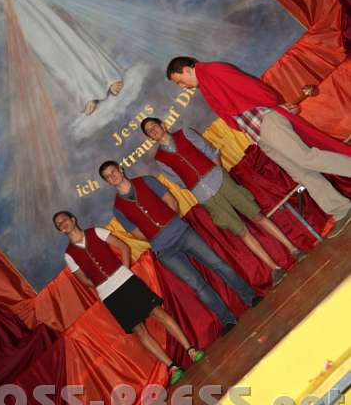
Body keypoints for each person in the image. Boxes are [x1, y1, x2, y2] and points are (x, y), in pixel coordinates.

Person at [166, 57, 351, 239]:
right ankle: (340, 208)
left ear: (187, 70)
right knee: (300, 172)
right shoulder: (206, 82)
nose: (182, 86)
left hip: (266, 121)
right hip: (258, 131)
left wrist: (275, 105)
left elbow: (250, 86)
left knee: (306, 158)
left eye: (179, 81)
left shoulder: (213, 70)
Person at [98, 161, 262, 332]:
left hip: (183, 233)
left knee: (218, 264)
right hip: (164, 251)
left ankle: (250, 297)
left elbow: (171, 201)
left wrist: (170, 223)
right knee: (197, 285)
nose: (112, 177)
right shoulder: (117, 208)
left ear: (120, 169)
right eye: (108, 176)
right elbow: (135, 232)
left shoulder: (146, 180)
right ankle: (227, 319)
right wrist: (156, 237)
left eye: (113, 171)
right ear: (107, 182)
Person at [141, 117, 307, 285]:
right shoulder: (159, 159)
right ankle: (274, 269)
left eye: (154, 126)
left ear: (163, 125)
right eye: (149, 131)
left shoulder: (184, 133)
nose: (153, 131)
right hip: (206, 198)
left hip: (221, 181)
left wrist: (219, 172)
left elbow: (210, 151)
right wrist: (196, 187)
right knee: (241, 231)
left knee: (257, 216)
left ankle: (293, 249)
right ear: (150, 137)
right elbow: (178, 181)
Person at [53, 210, 205, 385]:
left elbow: (123, 247)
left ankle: (190, 349)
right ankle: (172, 367)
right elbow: (84, 280)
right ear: (60, 230)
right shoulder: (69, 255)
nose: (63, 223)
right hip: (109, 294)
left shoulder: (95, 232)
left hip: (127, 281)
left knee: (157, 312)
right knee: (139, 330)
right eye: (59, 224)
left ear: (73, 219)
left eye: (64, 219)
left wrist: (124, 271)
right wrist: (104, 285)